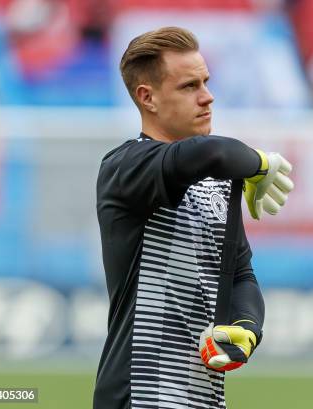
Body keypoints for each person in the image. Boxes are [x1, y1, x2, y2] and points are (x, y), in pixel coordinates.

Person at [93, 27, 293, 409]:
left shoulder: (218, 184)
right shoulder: (127, 165)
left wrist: (246, 329)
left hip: (202, 398)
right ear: (147, 97)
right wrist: (260, 162)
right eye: (189, 86)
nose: (208, 96)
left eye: (206, 81)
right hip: (142, 394)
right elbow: (211, 153)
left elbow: (240, 275)